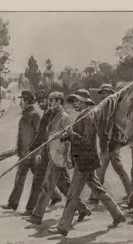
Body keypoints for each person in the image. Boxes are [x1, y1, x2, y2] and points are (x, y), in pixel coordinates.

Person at [48, 89, 126, 236]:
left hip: (85, 160)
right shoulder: (82, 116)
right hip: (87, 160)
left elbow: (87, 141)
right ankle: (117, 215)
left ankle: (63, 227)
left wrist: (70, 135)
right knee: (98, 189)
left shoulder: (89, 117)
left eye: (77, 101)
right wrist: (64, 136)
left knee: (72, 194)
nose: (75, 104)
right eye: (74, 101)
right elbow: (76, 135)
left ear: (85, 102)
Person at [26, 91, 92, 225]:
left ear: (59, 102)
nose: (50, 103)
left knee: (47, 185)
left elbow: (69, 137)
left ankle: (37, 216)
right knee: (64, 186)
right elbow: (47, 136)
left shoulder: (64, 117)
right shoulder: (53, 115)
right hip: (52, 154)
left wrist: (67, 157)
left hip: (59, 156)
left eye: (53, 101)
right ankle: (83, 208)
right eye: (50, 100)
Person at [18, 90, 62, 217]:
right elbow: (41, 135)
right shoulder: (47, 113)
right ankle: (31, 210)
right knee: (42, 180)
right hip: (45, 152)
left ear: (48, 101)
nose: (40, 104)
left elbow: (43, 135)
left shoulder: (50, 114)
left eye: (42, 101)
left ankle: (31, 210)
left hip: (50, 152)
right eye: (39, 102)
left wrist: (34, 150)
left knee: (59, 182)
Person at [88, 84, 131, 204]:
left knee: (117, 168)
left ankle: (131, 193)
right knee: (102, 170)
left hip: (113, 143)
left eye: (105, 93)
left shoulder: (116, 108)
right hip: (105, 143)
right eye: (102, 93)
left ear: (110, 94)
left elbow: (121, 125)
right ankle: (95, 196)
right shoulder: (101, 109)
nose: (103, 95)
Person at [0, 91, 41, 211]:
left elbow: (39, 135)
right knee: (20, 178)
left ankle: (54, 196)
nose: (19, 103)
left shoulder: (35, 115)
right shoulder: (25, 115)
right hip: (24, 153)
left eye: (21, 100)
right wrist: (18, 148)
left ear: (27, 101)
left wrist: (35, 151)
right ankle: (13, 203)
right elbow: (22, 134)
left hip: (32, 154)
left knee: (39, 178)